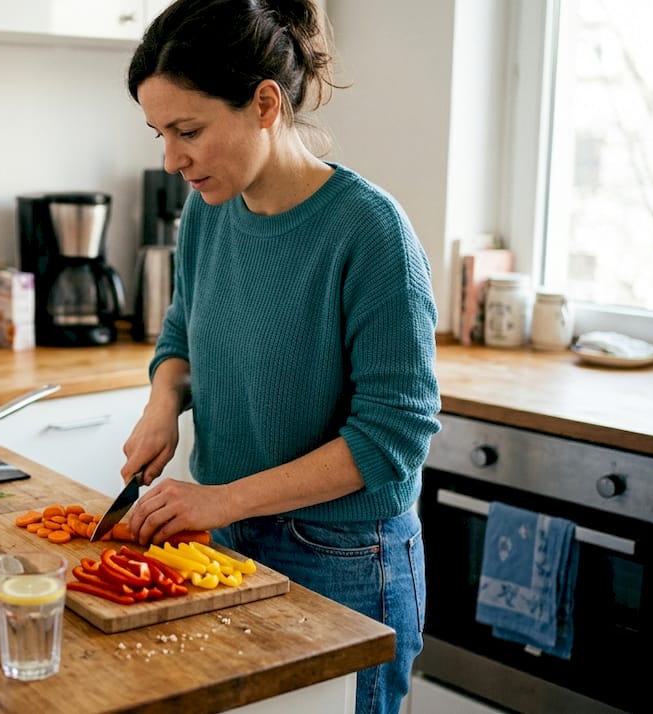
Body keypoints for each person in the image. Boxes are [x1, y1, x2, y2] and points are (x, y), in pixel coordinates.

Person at [119, 1, 441, 712]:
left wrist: (217, 498)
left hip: (343, 559)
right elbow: (181, 328)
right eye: (160, 134)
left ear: (265, 103)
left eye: (188, 131)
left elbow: (392, 440)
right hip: (226, 542)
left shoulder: (370, 230)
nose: (172, 160)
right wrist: (162, 405)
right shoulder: (207, 211)